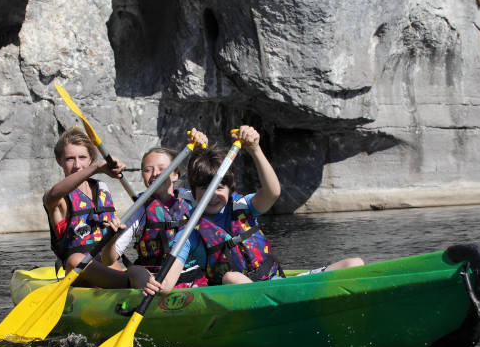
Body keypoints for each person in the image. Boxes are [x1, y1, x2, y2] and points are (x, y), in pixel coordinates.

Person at [147, 125, 364, 295]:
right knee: (231, 277)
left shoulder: (245, 207)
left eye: (219, 188)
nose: (212, 195)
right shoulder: (191, 233)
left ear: (230, 189)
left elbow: (273, 192)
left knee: (354, 264)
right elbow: (171, 273)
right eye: (204, 189)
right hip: (239, 296)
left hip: (277, 285)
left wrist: (255, 150)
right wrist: (158, 286)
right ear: (193, 193)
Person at [43, 126, 152, 289]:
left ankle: (141, 285)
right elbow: (52, 195)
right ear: (59, 160)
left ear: (90, 158)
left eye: (82, 157)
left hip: (106, 262)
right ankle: (130, 285)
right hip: (77, 271)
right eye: (69, 159)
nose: (77, 165)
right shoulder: (58, 198)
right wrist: (96, 168)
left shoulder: (102, 189)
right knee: (76, 260)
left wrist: (116, 232)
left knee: (134, 268)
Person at [102, 129, 210, 288]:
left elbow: (210, 176)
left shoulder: (192, 199)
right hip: (152, 279)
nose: (154, 174)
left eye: (162, 168)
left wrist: (201, 150)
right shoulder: (139, 209)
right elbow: (108, 260)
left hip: (192, 274)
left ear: (175, 175)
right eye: (148, 170)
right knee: (134, 271)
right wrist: (112, 238)